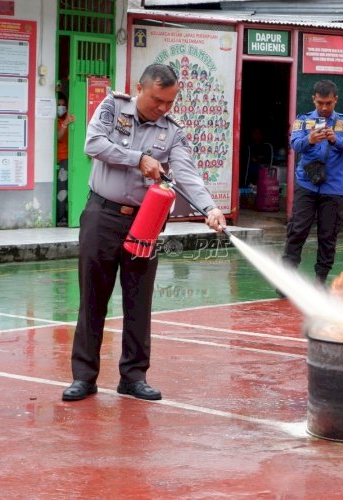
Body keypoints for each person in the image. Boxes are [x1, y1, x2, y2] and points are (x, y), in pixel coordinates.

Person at [62, 64, 226, 402]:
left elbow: (186, 174)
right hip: (102, 215)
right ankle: (84, 377)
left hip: (145, 222)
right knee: (93, 297)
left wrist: (209, 208)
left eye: (170, 102)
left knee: (139, 300)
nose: (163, 108)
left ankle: (134, 376)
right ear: (140, 88)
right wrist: (138, 159)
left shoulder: (173, 132)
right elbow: (93, 144)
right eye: (157, 101)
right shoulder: (112, 107)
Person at [282, 80, 343, 289]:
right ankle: (285, 280)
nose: (324, 108)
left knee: (328, 235)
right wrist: (310, 140)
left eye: (329, 103)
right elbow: (295, 144)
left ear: (336, 101)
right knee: (297, 230)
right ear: (314, 99)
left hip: (333, 187)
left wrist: (335, 140)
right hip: (306, 184)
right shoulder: (303, 121)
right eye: (321, 103)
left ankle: (320, 281)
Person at [55, 92, 75, 226]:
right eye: (59, 105)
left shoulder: (69, 118)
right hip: (62, 159)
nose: (61, 107)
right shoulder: (57, 122)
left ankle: (67, 215)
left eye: (63, 105)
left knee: (69, 189)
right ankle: (60, 217)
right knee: (62, 190)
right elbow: (58, 137)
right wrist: (65, 124)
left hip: (72, 158)